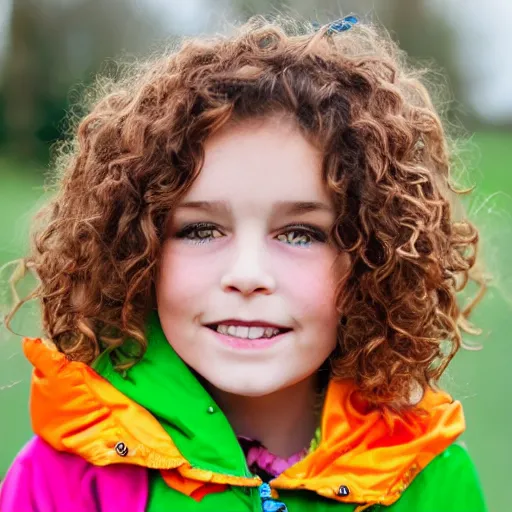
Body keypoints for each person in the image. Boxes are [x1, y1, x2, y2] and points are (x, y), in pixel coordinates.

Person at [0, 15, 487, 512]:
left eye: (300, 234)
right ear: (135, 252)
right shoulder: (65, 476)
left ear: (371, 259)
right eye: (200, 230)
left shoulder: (429, 479)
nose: (248, 275)